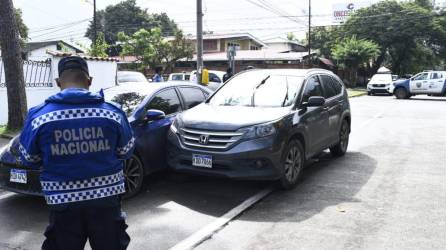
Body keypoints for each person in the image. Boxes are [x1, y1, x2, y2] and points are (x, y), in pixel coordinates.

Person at [19, 56, 134, 250]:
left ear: (58, 83)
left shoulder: (39, 117)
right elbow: (126, 151)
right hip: (106, 201)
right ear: (89, 80)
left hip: (63, 205)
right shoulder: (113, 113)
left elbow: (29, 158)